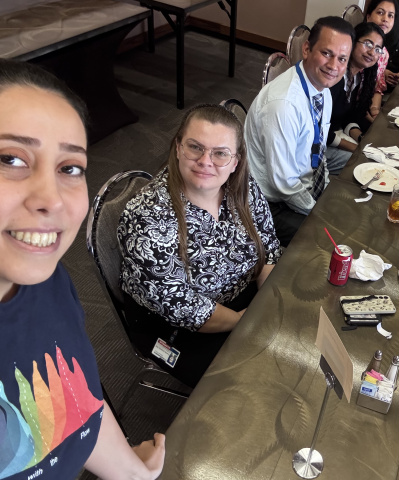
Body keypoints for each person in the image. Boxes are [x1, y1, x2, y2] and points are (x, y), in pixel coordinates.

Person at [0, 59, 164, 480]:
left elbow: (74, 402)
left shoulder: (45, 281)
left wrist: (133, 472)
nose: (52, 198)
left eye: (70, 168)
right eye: (10, 159)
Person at [118, 104, 282, 388]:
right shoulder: (147, 220)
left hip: (235, 296)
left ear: (235, 162)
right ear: (178, 148)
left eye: (220, 153)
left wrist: (270, 305)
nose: (206, 161)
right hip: (173, 327)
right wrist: (248, 323)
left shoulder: (242, 188)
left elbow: (267, 247)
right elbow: (183, 307)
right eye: (195, 147)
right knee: (251, 384)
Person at [246, 16, 354, 246]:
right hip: (268, 201)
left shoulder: (322, 87)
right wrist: (318, 211)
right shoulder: (283, 105)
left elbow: (319, 148)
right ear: (306, 49)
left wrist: (324, 190)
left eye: (342, 59)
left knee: (355, 178)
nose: (334, 66)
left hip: (300, 179)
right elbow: (283, 185)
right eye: (327, 53)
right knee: (326, 240)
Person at [327, 22, 385, 154]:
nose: (371, 52)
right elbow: (318, 130)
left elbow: (347, 116)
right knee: (363, 161)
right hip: (318, 142)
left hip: (336, 134)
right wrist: (356, 148)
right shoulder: (335, 77)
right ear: (352, 41)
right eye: (368, 44)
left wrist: (360, 138)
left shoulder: (357, 77)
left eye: (377, 49)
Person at [364, 0, 397, 121]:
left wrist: (375, 112)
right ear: (368, 17)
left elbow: (378, 87)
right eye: (380, 13)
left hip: (366, 107)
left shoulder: (384, 53)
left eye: (390, 16)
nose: (385, 19)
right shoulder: (358, 48)